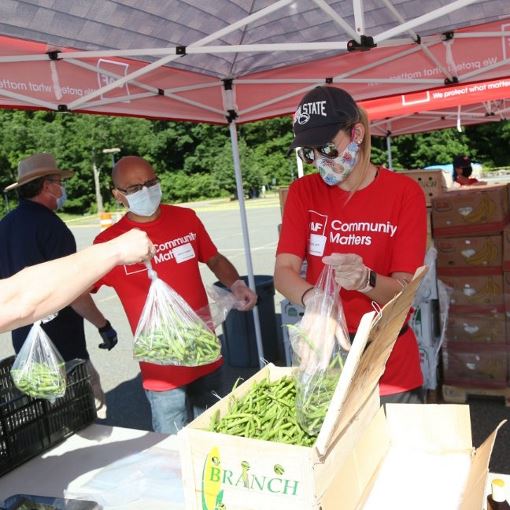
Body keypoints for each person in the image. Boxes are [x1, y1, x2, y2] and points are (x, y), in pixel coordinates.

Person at [274, 86, 427, 404]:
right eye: (309, 153)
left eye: (327, 149)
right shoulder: (303, 192)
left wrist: (365, 280)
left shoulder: (404, 194)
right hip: (328, 354)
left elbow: (403, 290)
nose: (319, 161)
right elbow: (284, 271)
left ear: (356, 133)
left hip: (386, 358)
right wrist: (316, 300)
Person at [92, 155, 258, 434]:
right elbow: (81, 290)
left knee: (218, 433)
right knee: (171, 448)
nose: (146, 191)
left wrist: (236, 284)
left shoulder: (185, 218)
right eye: (134, 189)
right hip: (162, 372)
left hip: (205, 356)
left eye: (151, 182)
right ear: (118, 195)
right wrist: (100, 323)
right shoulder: (109, 243)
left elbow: (214, 258)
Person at [0, 153, 119, 416]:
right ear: (47, 186)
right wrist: (103, 325)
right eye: (58, 181)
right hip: (63, 346)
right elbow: (75, 292)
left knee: (43, 417)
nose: (62, 187)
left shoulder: (5, 226)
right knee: (83, 413)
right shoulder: (52, 228)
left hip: (25, 340)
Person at [1, 229, 155, 333]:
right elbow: (17, 302)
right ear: (48, 186)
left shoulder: (6, 223)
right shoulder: (52, 228)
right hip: (62, 335)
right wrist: (116, 250)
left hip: (22, 333)